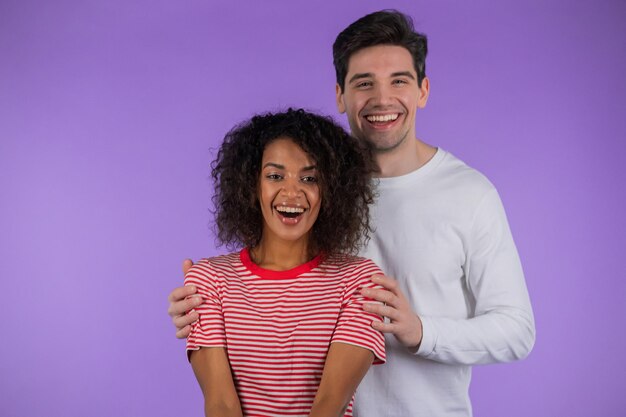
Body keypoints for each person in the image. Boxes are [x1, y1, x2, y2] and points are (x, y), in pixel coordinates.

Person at [169, 10, 535, 417]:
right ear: (340, 95)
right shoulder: (316, 187)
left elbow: (517, 331)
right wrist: (206, 304)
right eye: (364, 83)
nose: (382, 99)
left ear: (423, 91)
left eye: (399, 80)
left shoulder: (470, 193)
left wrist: (421, 332)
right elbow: (271, 288)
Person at [184, 108, 386, 417]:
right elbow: (221, 404)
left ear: (330, 190)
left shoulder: (359, 281)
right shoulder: (210, 279)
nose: (291, 192)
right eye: (275, 176)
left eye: (309, 178)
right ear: (252, 184)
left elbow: (329, 404)